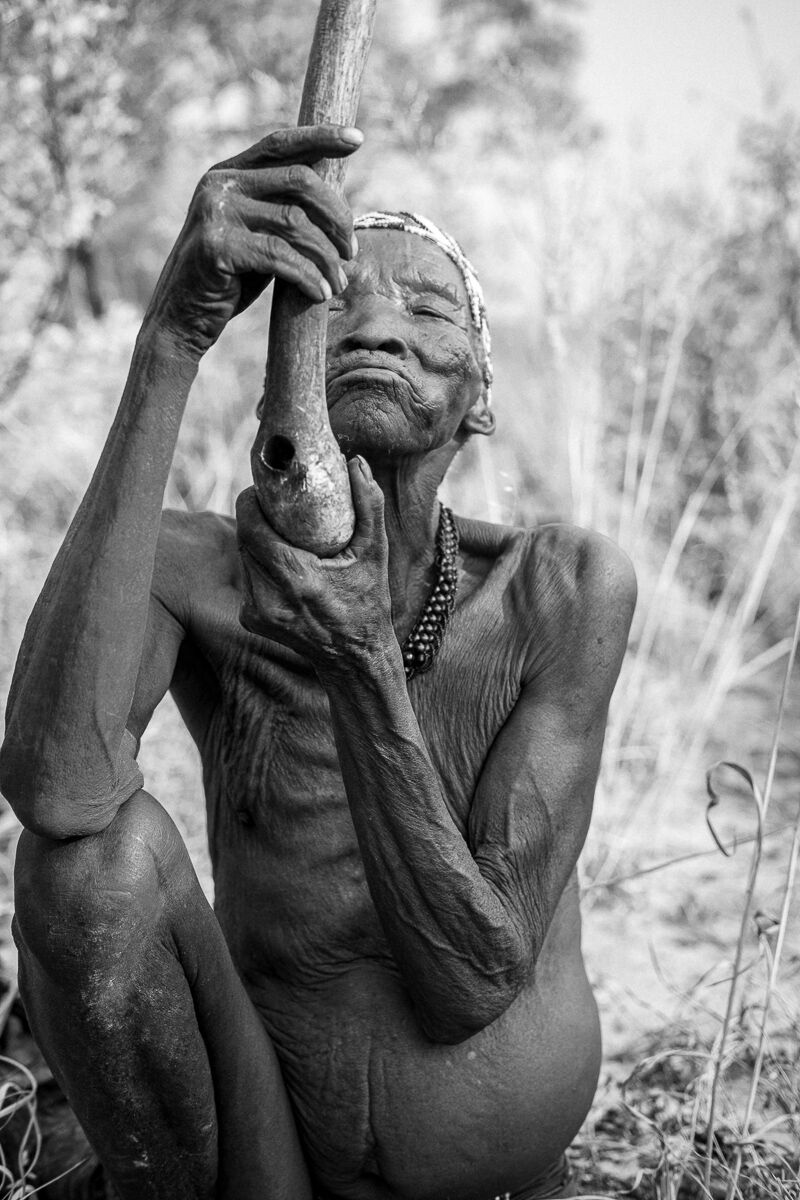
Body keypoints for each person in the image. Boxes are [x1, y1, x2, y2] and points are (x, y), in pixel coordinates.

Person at [0, 124, 636, 1200]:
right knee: (81, 873)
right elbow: (58, 791)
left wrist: (358, 659)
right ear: (276, 382)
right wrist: (171, 340)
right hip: (270, 1157)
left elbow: (472, 986)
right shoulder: (193, 567)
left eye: (427, 309)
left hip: (492, 1172)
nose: (376, 324)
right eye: (333, 306)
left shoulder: (561, 588)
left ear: (479, 398)